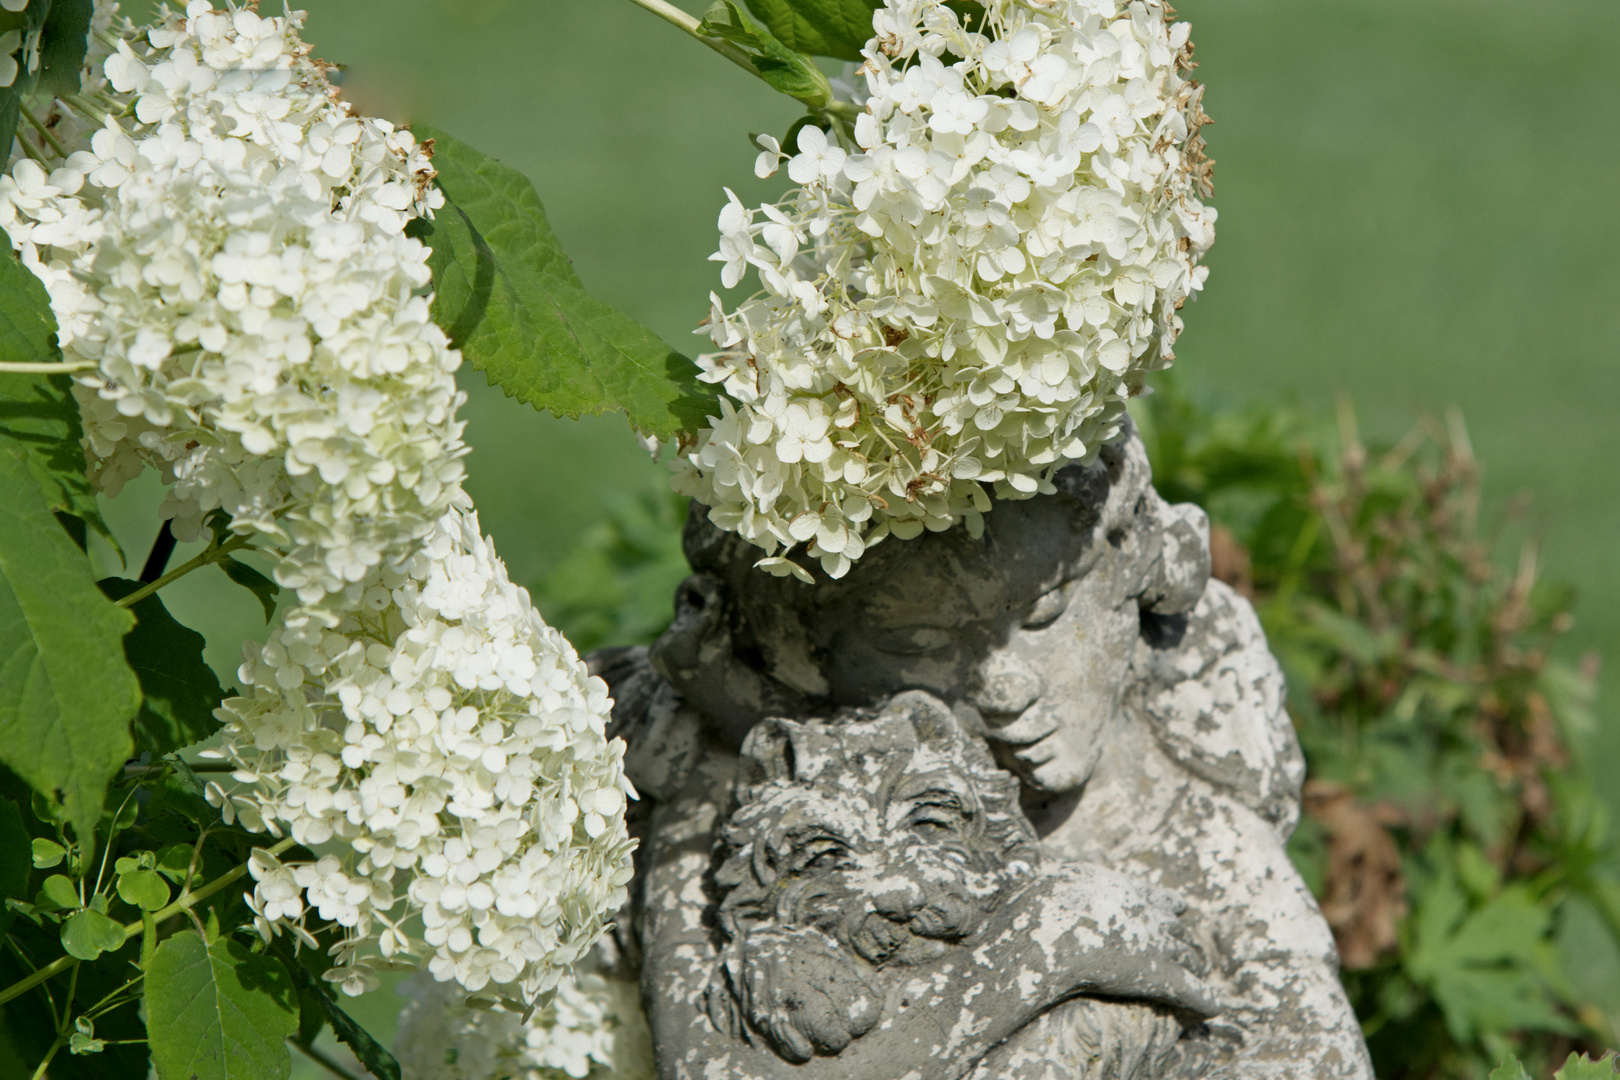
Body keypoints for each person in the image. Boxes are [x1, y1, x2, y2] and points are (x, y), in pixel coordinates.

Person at [594, 418, 1373, 1079]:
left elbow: (1312, 1052)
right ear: (808, 648)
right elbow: (707, 1064)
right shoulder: (756, 778)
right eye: (922, 641)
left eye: (1044, 614)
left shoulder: (1166, 792)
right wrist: (1051, 946)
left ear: (1127, 562)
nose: (1006, 685)